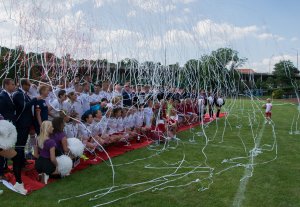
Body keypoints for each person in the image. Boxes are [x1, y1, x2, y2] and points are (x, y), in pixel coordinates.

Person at [13, 78, 41, 167]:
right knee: (20, 144)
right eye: (28, 85)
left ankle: (22, 160)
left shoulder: (25, 94)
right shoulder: (18, 94)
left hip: (26, 122)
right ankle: (18, 163)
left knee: (23, 143)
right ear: (23, 85)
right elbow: (24, 106)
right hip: (21, 123)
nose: (30, 87)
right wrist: (35, 99)